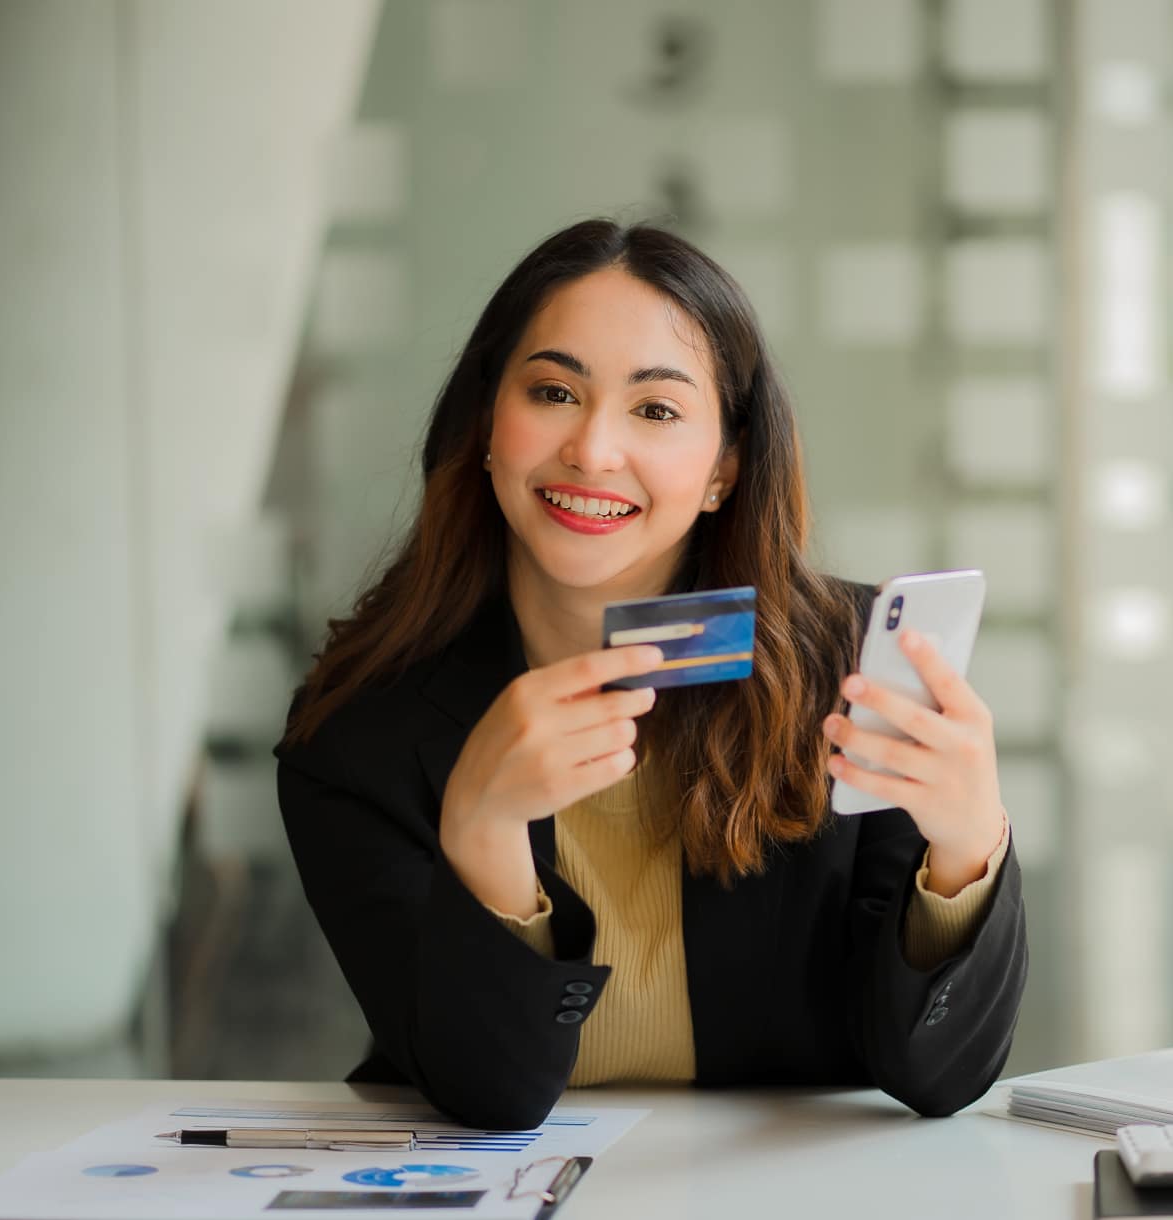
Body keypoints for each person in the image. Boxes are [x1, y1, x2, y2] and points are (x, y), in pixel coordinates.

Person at [275, 219, 1026, 1131]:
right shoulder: (357, 732)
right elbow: (487, 1092)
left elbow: (939, 1076)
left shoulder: (855, 670)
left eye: (657, 410)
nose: (593, 450)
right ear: (485, 426)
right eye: (553, 392)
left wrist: (965, 849)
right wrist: (482, 826)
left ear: (725, 468)